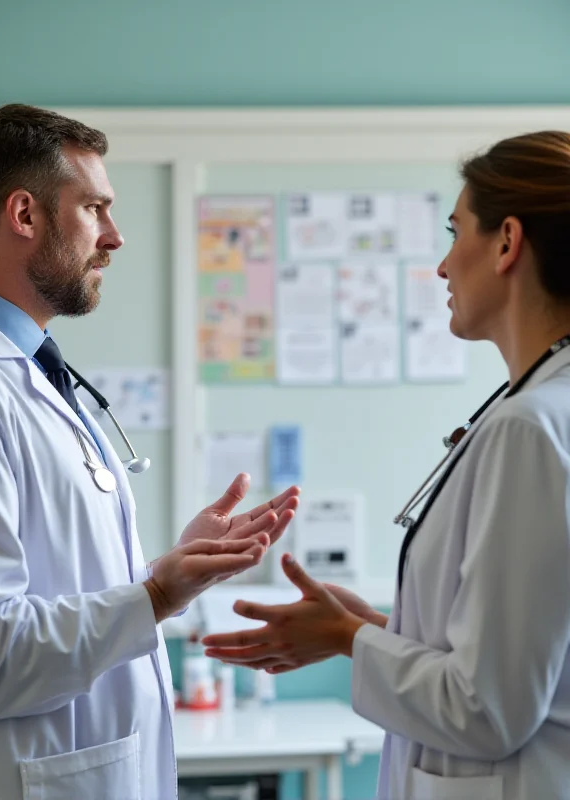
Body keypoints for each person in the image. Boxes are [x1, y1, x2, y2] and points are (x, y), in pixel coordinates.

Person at [203, 130, 570, 800]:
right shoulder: (540, 407)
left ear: (508, 242)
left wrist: (347, 638)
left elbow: (487, 711)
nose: (441, 266)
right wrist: (373, 630)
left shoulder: (531, 429)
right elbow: (515, 660)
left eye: (456, 231)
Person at [0, 104, 299, 800]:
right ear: (25, 215)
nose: (115, 237)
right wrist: (154, 595)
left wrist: (165, 574)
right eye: (94, 208)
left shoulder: (27, 370)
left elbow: (58, 588)